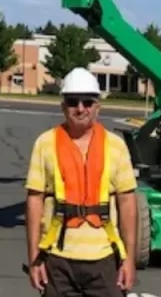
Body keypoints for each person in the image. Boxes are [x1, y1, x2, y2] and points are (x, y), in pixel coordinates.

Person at [24, 67, 139, 296]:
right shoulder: (44, 144)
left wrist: (129, 260)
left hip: (104, 260)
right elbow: (34, 201)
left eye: (87, 102)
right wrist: (34, 259)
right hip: (57, 260)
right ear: (63, 106)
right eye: (73, 101)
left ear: (98, 107)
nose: (80, 108)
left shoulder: (115, 146)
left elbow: (127, 203)